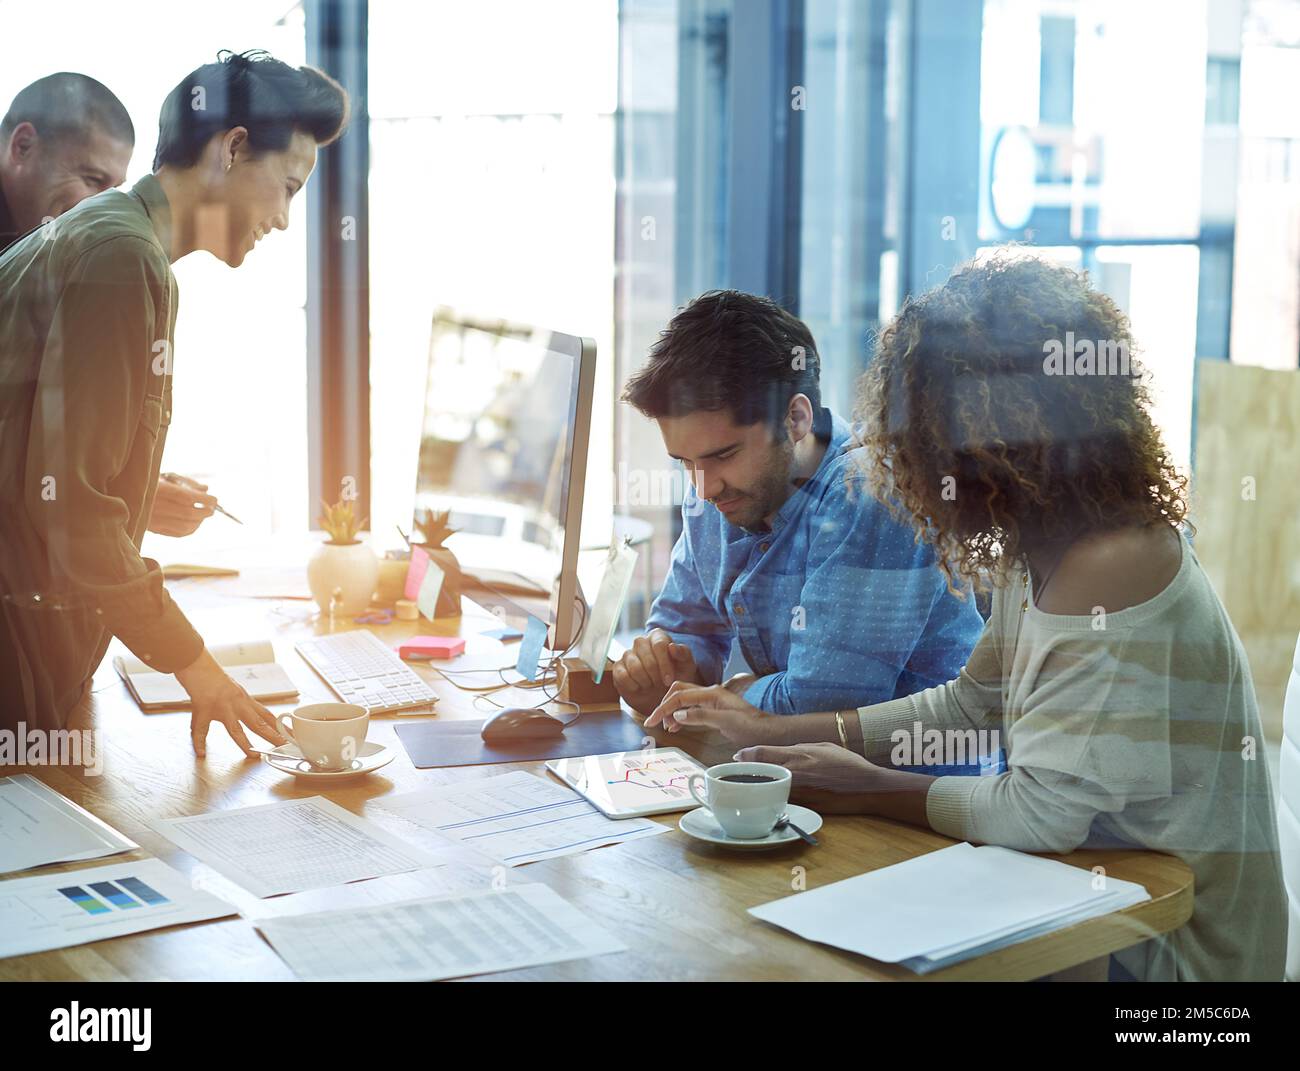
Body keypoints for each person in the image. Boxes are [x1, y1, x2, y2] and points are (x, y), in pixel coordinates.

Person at [647, 254, 1286, 982]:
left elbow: (1039, 815)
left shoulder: (1114, 558)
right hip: (1083, 905)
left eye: (920, 435)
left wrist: (865, 783)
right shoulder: (1041, 539)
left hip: (1170, 958)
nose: (905, 463)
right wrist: (776, 733)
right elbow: (971, 703)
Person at [0, 50, 350, 756]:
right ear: (233, 147)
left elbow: (45, 462)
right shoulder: (121, 258)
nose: (283, 220)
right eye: (286, 187)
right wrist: (197, 666)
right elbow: (72, 513)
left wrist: (134, 493)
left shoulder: (111, 238)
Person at [614, 290, 984, 732]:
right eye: (685, 462)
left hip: (901, 784)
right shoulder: (715, 485)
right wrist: (660, 668)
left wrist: (729, 691)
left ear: (795, 419)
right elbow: (685, 631)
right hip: (794, 775)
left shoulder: (871, 494)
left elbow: (819, 705)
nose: (703, 487)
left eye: (724, 454)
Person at [0, 73, 221, 537]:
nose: (98, 207)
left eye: (112, 189)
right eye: (90, 179)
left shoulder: (58, 251)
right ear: (22, 147)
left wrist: (126, 487)